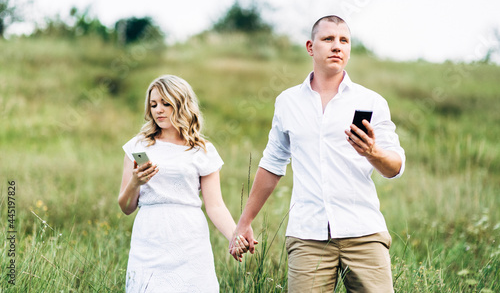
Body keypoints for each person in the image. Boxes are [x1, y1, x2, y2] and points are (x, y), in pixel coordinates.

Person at [230, 15, 406, 292]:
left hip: (363, 232)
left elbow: (394, 167)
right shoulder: (287, 102)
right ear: (311, 47)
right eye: (328, 39)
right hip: (307, 236)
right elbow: (273, 164)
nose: (337, 46)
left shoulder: (371, 102)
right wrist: (244, 222)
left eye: (344, 40)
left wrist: (372, 153)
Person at [118, 75, 249, 292]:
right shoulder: (139, 146)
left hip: (189, 237)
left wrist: (234, 236)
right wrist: (135, 182)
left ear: (181, 104)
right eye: (153, 104)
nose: (158, 110)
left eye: (165, 103)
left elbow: (215, 205)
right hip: (150, 236)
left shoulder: (202, 150)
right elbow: (125, 207)